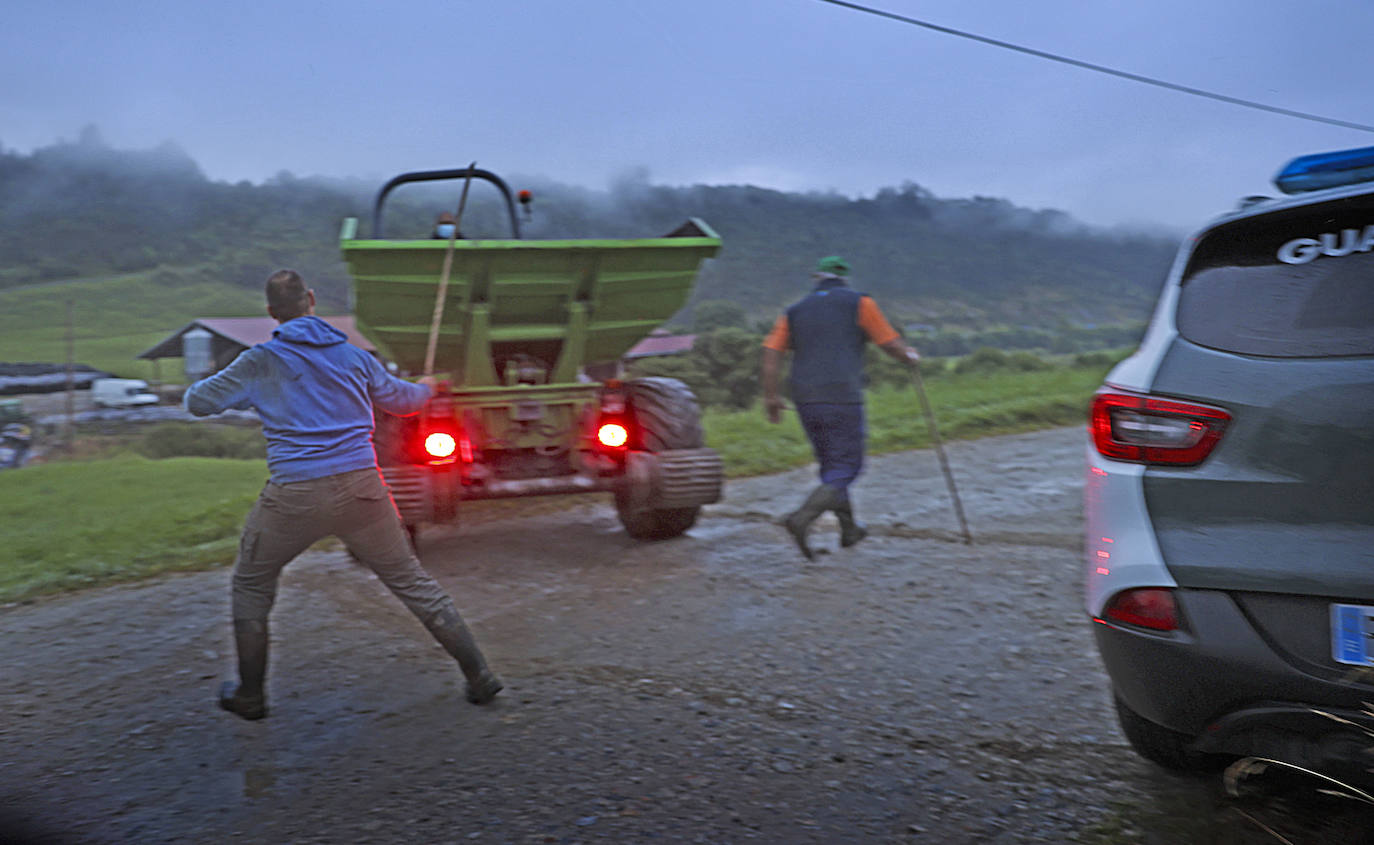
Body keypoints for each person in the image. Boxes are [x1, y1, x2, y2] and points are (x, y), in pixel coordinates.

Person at [185, 269, 501, 720]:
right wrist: (428, 387)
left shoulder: (262, 360)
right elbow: (405, 401)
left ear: (272, 312)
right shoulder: (355, 358)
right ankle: (479, 676)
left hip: (294, 495)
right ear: (311, 300)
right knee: (412, 583)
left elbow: (198, 402)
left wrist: (248, 390)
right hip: (363, 490)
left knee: (252, 583)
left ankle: (251, 696)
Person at [760, 255, 921, 560]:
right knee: (847, 466)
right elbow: (889, 343)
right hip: (841, 395)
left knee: (831, 467)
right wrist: (910, 357)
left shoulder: (793, 311)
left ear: (817, 278)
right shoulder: (860, 303)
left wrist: (772, 397)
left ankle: (849, 530)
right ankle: (801, 518)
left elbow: (770, 353)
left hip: (805, 398)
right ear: (844, 278)